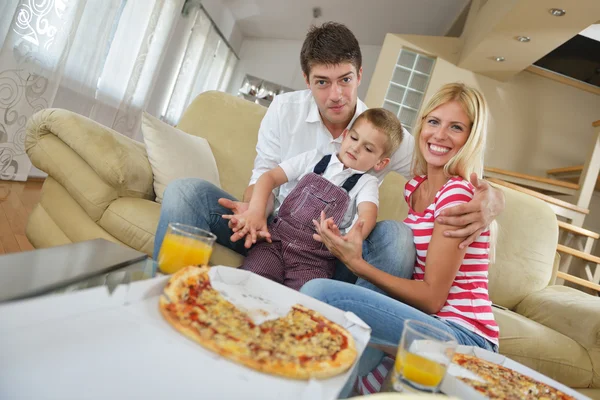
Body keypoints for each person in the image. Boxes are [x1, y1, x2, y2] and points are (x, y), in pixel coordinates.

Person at [153, 22, 505, 284]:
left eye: (345, 80)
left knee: (398, 238)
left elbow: (445, 153)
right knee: (186, 193)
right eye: (322, 82)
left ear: (359, 75)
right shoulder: (284, 110)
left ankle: (346, 324)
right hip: (273, 234)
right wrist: (255, 210)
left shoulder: (382, 135)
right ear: (307, 80)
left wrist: (493, 199)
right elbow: (265, 173)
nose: (336, 94)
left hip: (330, 254)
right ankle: (168, 299)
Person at [301, 83, 499, 397]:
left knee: (319, 294)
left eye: (456, 127)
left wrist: (357, 264)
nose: (439, 135)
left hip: (462, 337)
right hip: (423, 323)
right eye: (433, 122)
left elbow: (433, 298)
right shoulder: (416, 188)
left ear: (470, 138)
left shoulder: (458, 194)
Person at [229, 108, 403, 290]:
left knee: (304, 300)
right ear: (345, 135)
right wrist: (256, 212)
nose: (356, 148)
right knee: (251, 279)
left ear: (380, 163)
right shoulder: (313, 158)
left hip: (313, 261)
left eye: (368, 148)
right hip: (274, 243)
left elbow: (368, 213)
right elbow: (268, 178)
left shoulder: (367, 183)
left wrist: (350, 240)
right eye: (354, 138)